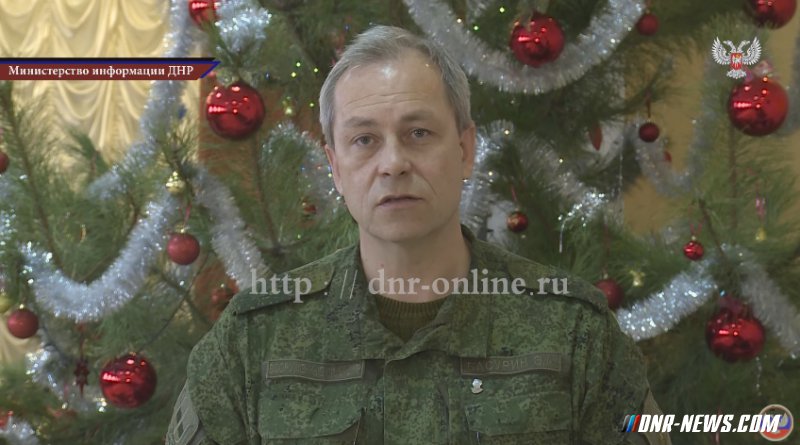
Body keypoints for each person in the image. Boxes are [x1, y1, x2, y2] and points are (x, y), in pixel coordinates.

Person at [166, 25, 671, 445]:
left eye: (418, 133)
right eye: (365, 140)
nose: (393, 163)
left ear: (465, 150)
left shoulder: (575, 333)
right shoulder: (252, 339)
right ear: (335, 168)